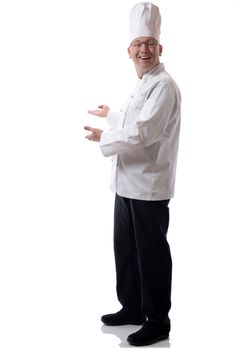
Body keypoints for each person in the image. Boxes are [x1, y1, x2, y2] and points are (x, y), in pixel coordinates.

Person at [84, 2, 181, 346]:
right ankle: (132, 308)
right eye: (139, 44)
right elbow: (131, 118)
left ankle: (158, 322)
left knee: (151, 257)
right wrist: (111, 115)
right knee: (125, 250)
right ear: (129, 51)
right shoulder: (143, 83)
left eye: (149, 44)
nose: (144, 50)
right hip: (126, 185)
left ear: (160, 48)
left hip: (149, 186)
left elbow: (144, 132)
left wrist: (104, 137)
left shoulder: (164, 85)